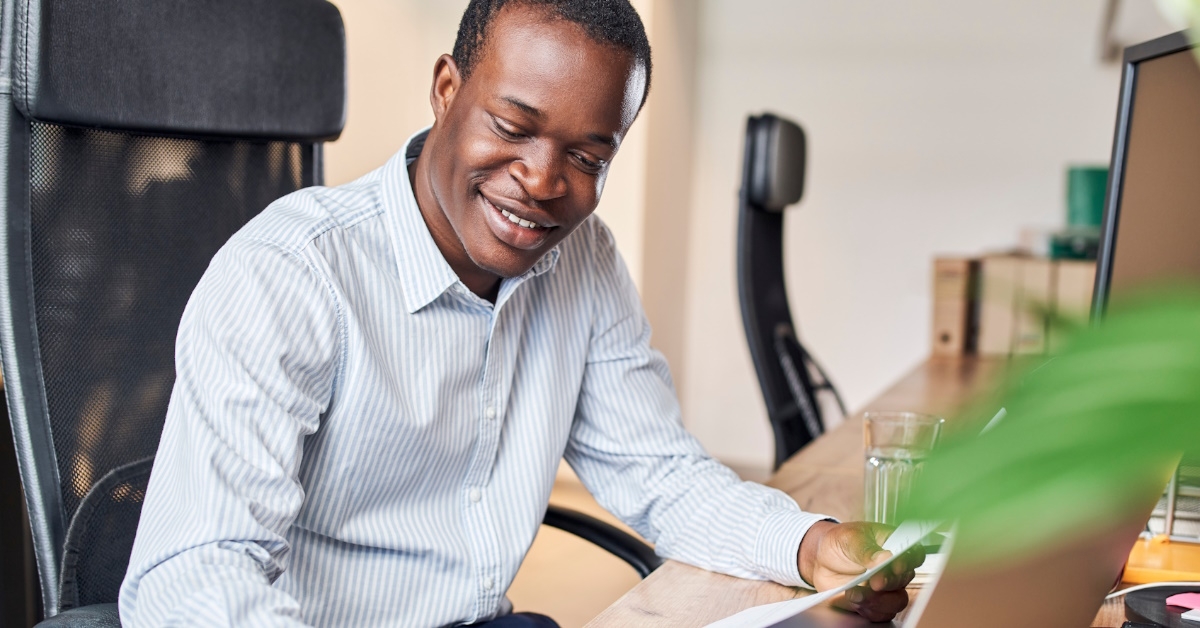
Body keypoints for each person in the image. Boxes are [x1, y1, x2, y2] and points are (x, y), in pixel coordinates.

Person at [119, 1, 922, 626]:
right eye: (512, 127)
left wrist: (811, 543)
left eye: (587, 157)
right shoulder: (293, 272)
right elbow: (195, 574)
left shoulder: (585, 259)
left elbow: (660, 475)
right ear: (445, 91)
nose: (542, 182)